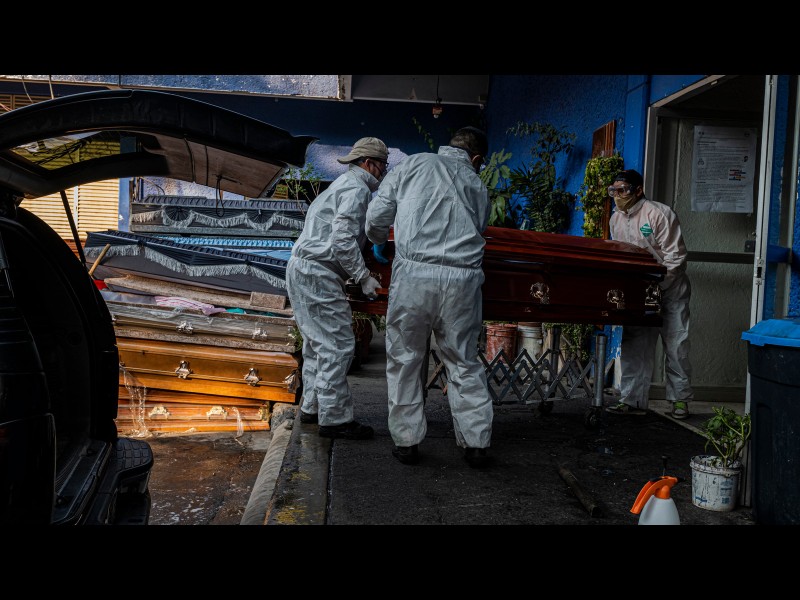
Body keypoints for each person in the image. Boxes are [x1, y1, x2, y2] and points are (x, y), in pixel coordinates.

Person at [365, 126, 493, 467]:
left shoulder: (414, 164)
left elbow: (377, 217)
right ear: (476, 159)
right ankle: (476, 444)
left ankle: (406, 442)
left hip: (414, 275)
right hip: (463, 281)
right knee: (463, 360)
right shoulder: (477, 184)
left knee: (406, 358)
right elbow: (480, 227)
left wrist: (378, 240)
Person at [285, 137, 389, 439]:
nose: (384, 173)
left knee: (317, 344)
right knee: (338, 344)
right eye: (383, 166)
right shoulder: (357, 189)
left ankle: (312, 407)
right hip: (318, 271)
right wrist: (363, 276)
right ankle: (335, 420)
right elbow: (342, 239)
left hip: (304, 268)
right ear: (369, 164)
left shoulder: (342, 185)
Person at [605, 169, 693, 420]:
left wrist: (659, 286)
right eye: (613, 191)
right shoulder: (616, 219)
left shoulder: (658, 214)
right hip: (639, 290)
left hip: (670, 288)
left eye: (622, 190)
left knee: (676, 343)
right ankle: (631, 399)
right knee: (634, 342)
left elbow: (676, 257)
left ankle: (679, 400)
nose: (617, 195)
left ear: (638, 190)